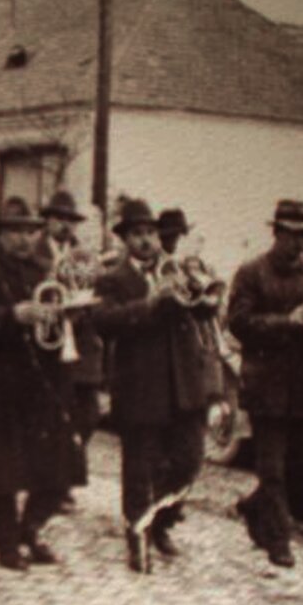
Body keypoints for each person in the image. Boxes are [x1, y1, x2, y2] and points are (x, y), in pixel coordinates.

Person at [0, 196, 79, 571]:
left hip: (38, 381)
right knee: (2, 472)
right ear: (1, 234)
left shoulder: (43, 269)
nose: (24, 239)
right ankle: (6, 547)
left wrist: (65, 314)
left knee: (57, 467)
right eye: (16, 232)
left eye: (30, 231)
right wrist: (10, 315)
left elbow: (53, 317)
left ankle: (29, 530)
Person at [93, 199, 218, 573]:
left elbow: (204, 309)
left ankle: (160, 520)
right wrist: (151, 302)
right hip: (141, 387)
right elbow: (104, 321)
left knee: (189, 462)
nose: (146, 241)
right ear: (125, 239)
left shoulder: (176, 269)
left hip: (184, 386)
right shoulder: (112, 279)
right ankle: (137, 535)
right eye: (137, 235)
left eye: (150, 233)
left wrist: (203, 294)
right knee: (138, 467)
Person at [227, 199, 303, 568]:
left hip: (301, 384)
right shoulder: (251, 272)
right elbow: (238, 322)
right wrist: (288, 321)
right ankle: (279, 542)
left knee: (300, 465)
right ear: (277, 233)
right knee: (272, 469)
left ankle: (253, 507)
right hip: (266, 383)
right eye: (293, 235)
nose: (299, 243)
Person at [34, 190, 101, 513]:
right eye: (58, 219)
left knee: (87, 414)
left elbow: (95, 287)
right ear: (46, 221)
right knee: (54, 416)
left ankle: (62, 476)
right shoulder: (34, 252)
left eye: (70, 221)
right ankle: (55, 484)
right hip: (46, 341)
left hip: (80, 342)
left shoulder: (82, 255)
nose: (65, 226)